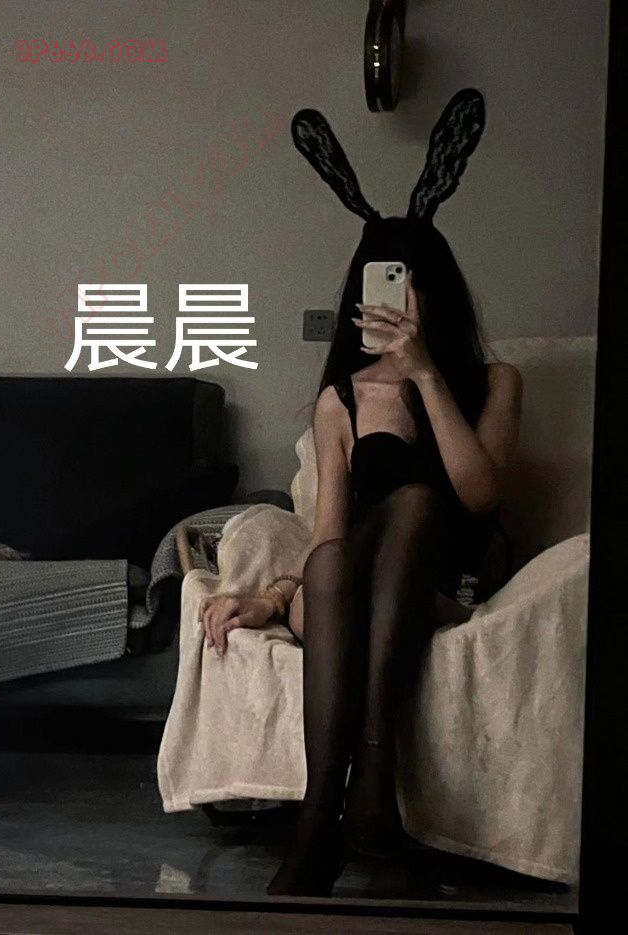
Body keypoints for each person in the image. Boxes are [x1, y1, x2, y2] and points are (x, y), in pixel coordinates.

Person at [199, 94, 523, 896]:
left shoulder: (494, 381)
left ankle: (342, 811)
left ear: (432, 292)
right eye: (382, 284)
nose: (395, 299)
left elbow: (480, 496)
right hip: (354, 587)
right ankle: (340, 817)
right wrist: (274, 597)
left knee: (416, 503)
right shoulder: (339, 398)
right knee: (338, 560)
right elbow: (329, 536)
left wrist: (424, 374)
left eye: (408, 284)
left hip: (445, 584)